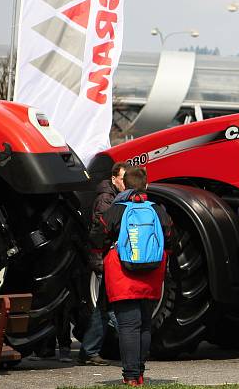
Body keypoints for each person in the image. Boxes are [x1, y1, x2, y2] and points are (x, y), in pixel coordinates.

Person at [95, 166, 173, 386]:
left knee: (128, 325)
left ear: (124, 185)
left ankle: (130, 376)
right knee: (145, 324)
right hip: (151, 273)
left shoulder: (117, 209)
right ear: (146, 185)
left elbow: (97, 235)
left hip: (123, 274)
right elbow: (170, 238)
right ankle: (139, 373)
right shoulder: (158, 209)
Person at [78, 162, 128, 366]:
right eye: (123, 178)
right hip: (103, 261)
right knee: (111, 308)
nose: (125, 183)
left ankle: (89, 350)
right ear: (114, 178)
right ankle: (134, 347)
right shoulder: (106, 199)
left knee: (104, 307)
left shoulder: (112, 197)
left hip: (105, 260)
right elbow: (102, 230)